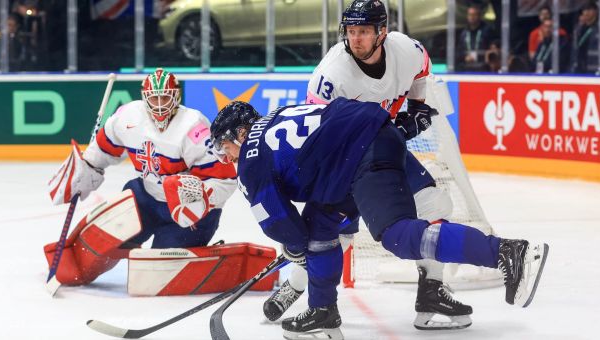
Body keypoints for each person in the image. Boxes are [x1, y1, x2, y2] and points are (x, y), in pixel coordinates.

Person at [210, 98, 549, 340]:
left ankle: (507, 252)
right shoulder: (280, 114)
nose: (226, 157)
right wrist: (303, 244)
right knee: (320, 227)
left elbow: (280, 225)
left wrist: (295, 249)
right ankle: (322, 312)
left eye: (224, 146)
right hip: (366, 144)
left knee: (396, 235)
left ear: (240, 133)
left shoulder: (250, 161)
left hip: (358, 157)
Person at [269, 0, 470, 331]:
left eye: (363, 31)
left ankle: (431, 290)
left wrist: (417, 106)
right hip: (342, 159)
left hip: (384, 151)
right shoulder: (330, 77)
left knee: (433, 203)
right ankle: (295, 285)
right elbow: (316, 133)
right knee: (336, 237)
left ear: (382, 33)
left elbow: (422, 72)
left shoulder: (405, 50)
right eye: (351, 31)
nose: (356, 39)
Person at [44, 69, 238, 286]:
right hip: (145, 197)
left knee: (155, 273)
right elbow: (103, 147)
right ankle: (78, 266)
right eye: (154, 97)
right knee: (106, 236)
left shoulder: (194, 127)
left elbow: (225, 179)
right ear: (144, 97)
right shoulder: (127, 116)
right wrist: (87, 167)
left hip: (187, 214)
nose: (160, 104)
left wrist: (200, 198)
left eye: (165, 97)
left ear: (176, 96)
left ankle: (196, 254)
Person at [456, 3, 496, 72]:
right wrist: (465, 57)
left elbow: (492, 49)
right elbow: (459, 51)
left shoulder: (487, 31)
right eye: (470, 15)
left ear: (479, 16)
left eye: (474, 15)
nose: (472, 17)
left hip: (483, 68)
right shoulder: (464, 33)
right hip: (467, 68)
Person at [569, 2, 600, 74]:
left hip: (594, 68)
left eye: (589, 10)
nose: (586, 13)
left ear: (596, 11)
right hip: (579, 67)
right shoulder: (579, 30)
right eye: (584, 10)